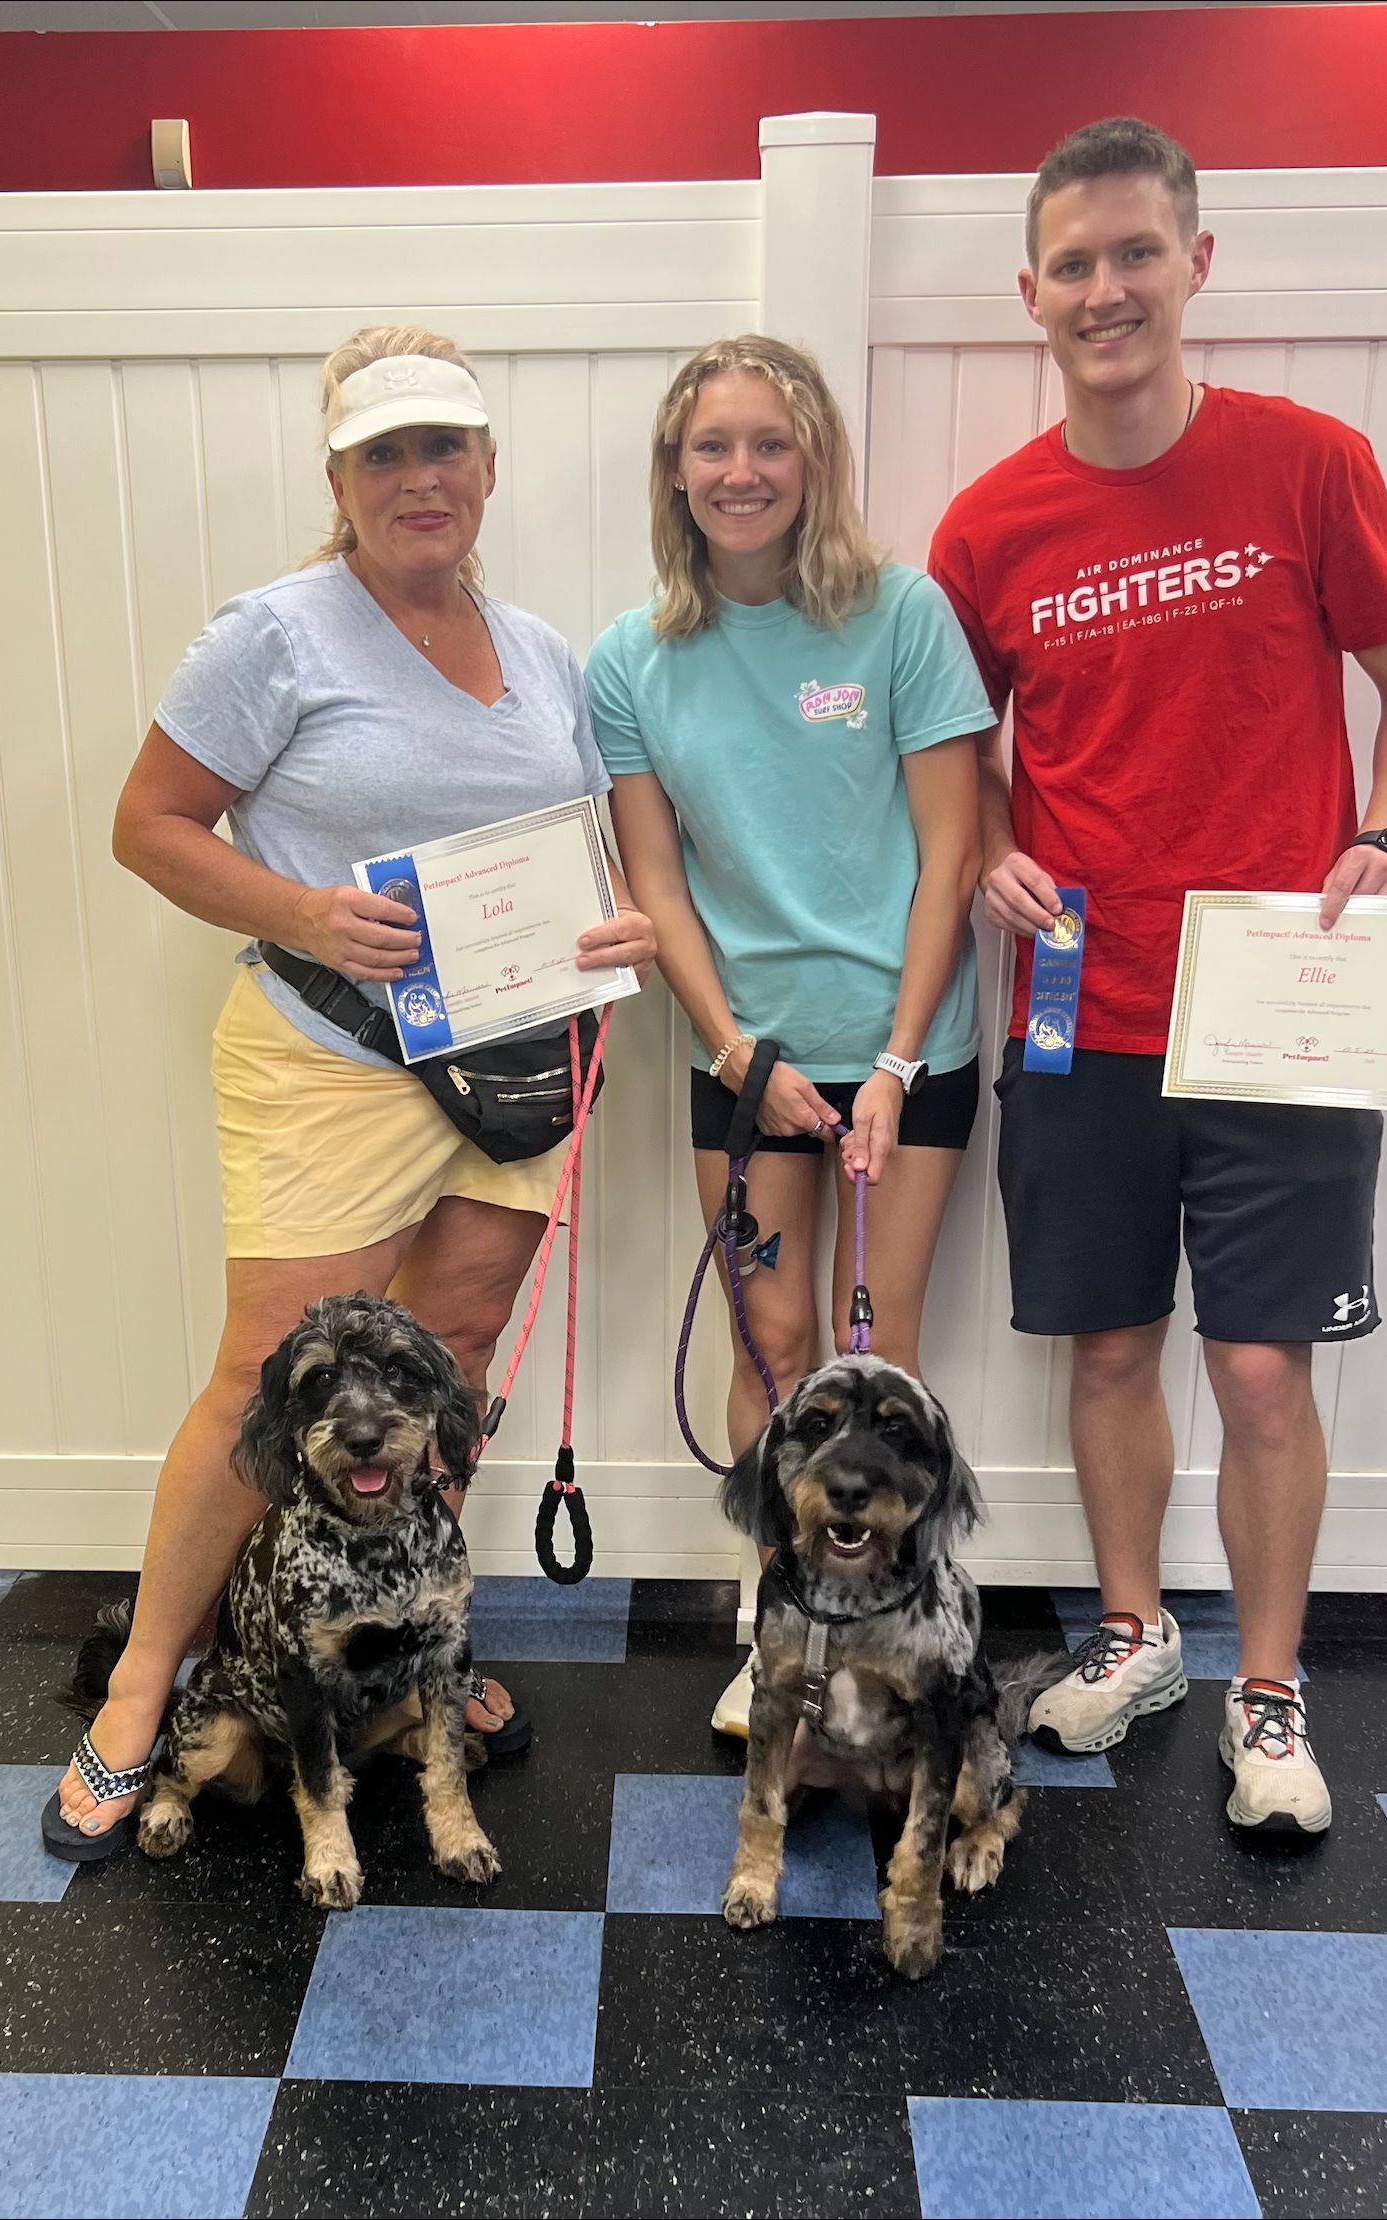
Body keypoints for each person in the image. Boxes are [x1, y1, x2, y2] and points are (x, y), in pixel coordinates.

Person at [47, 325, 656, 1855]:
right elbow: (151, 824)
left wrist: (616, 923)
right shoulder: (274, 634)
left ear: (486, 467)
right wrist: (305, 913)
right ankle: (140, 1690)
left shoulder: (541, 654)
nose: (419, 479)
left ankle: (405, 1645)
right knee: (267, 1371)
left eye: (443, 447)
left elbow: (579, 845)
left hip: (514, 1067)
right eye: (384, 454)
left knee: (445, 1361)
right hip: (327, 1056)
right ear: (338, 478)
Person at [928, 120, 1387, 1833]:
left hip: (1275, 1007)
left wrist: (1383, 838)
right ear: (1030, 294)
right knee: (1102, 1352)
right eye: (1073, 265)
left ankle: (1270, 1693)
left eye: (1134, 254)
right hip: (1083, 1006)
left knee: (1255, 1371)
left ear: (1193, 264)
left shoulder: (1306, 464)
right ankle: (1136, 1632)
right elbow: (965, 750)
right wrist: (1000, 835)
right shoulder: (988, 526)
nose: (1105, 291)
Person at [588, 335, 992, 1737]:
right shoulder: (631, 660)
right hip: (738, 1056)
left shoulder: (901, 617)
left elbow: (950, 859)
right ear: (675, 472)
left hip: (903, 1050)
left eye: (769, 443)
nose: (741, 470)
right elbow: (657, 881)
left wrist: (889, 1060)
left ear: (811, 460)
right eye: (712, 447)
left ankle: (886, 1636)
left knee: (877, 1358)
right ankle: (780, 1633)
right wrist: (731, 1047)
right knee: (769, 1341)